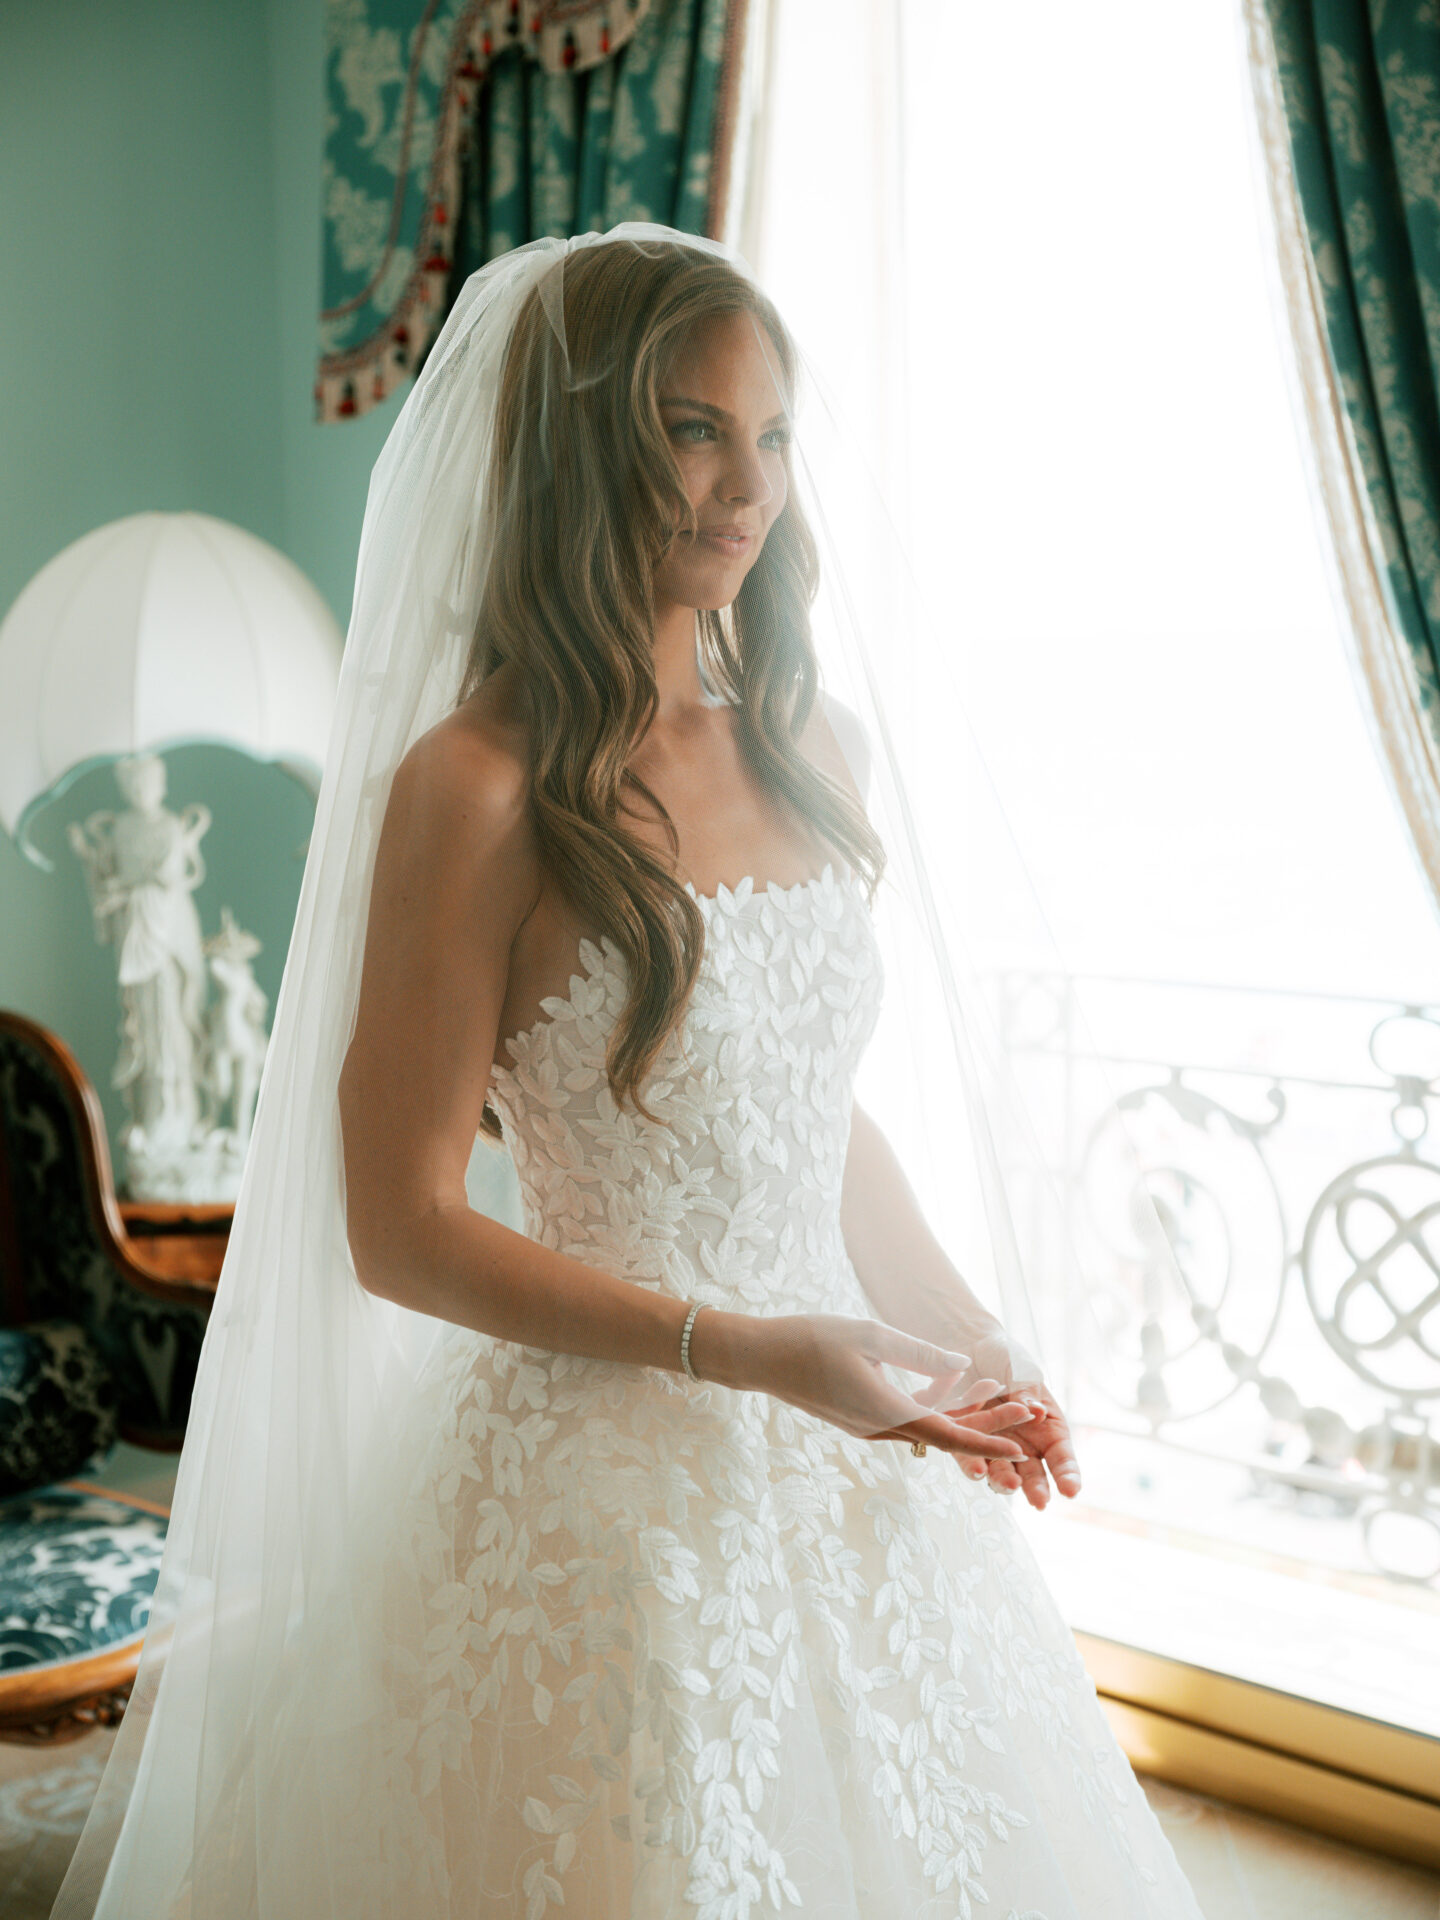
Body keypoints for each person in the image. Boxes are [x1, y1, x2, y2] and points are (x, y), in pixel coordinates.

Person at [55, 229, 1204, 1919]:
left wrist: (964, 1335)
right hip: (606, 1488)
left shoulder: (813, 747)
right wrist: (753, 1351)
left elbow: (807, 1114)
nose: (747, 487)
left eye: (775, 435)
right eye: (692, 430)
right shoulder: (476, 784)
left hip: (849, 1428)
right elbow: (403, 1225)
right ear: (585, 447)